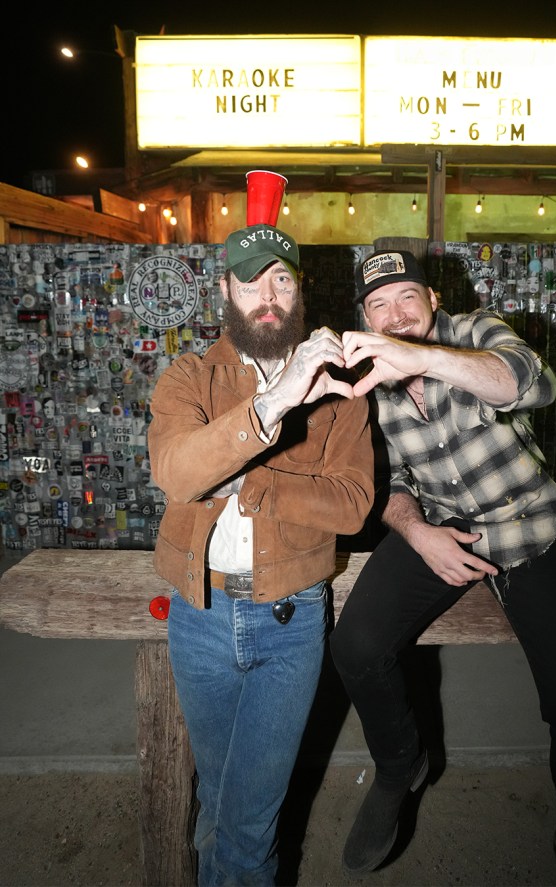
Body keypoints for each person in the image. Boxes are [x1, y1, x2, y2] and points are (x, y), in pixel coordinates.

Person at [330, 249, 556, 885]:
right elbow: (389, 480)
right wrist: (418, 533)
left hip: (526, 527)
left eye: (406, 297)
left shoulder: (473, 332)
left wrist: (424, 358)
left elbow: (531, 382)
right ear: (365, 318)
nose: (395, 315)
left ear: (433, 299)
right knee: (354, 647)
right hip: (440, 527)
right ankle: (399, 766)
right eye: (378, 305)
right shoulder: (366, 382)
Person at [147, 195, 374, 885]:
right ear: (225, 291)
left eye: (282, 280)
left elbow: (353, 503)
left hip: (290, 620)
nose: (268, 297)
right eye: (251, 282)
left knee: (247, 830)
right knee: (218, 808)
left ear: (299, 290)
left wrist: (250, 484)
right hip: (199, 616)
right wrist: (276, 401)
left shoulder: (341, 391)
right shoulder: (189, 376)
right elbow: (177, 473)